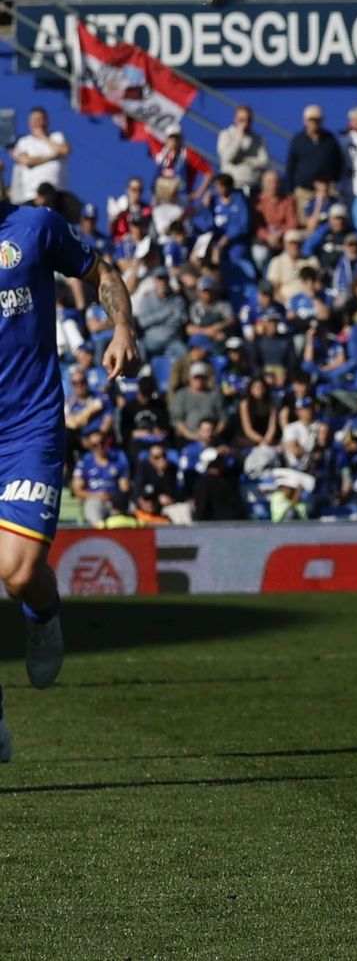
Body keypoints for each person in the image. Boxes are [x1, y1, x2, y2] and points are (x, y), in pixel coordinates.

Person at [0, 200, 138, 763]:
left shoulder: (35, 226)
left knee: (17, 571)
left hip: (27, 429)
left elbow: (104, 272)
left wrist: (122, 327)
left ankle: (43, 614)